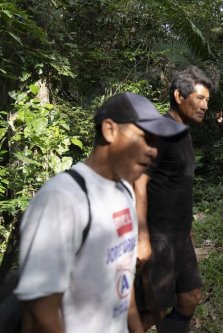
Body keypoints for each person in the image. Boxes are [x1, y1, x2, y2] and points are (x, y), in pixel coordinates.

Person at [14, 92, 187, 333]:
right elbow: (41, 313)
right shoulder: (62, 199)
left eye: (156, 143)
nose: (153, 151)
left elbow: (122, 285)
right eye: (145, 137)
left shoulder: (125, 191)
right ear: (109, 130)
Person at [134, 66, 215, 333]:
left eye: (207, 100)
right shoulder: (159, 131)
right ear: (179, 96)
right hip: (158, 239)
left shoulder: (184, 132)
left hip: (179, 237)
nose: (204, 106)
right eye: (199, 98)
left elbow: (177, 187)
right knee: (147, 316)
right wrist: (143, 239)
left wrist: (188, 229)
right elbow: (139, 182)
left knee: (190, 297)